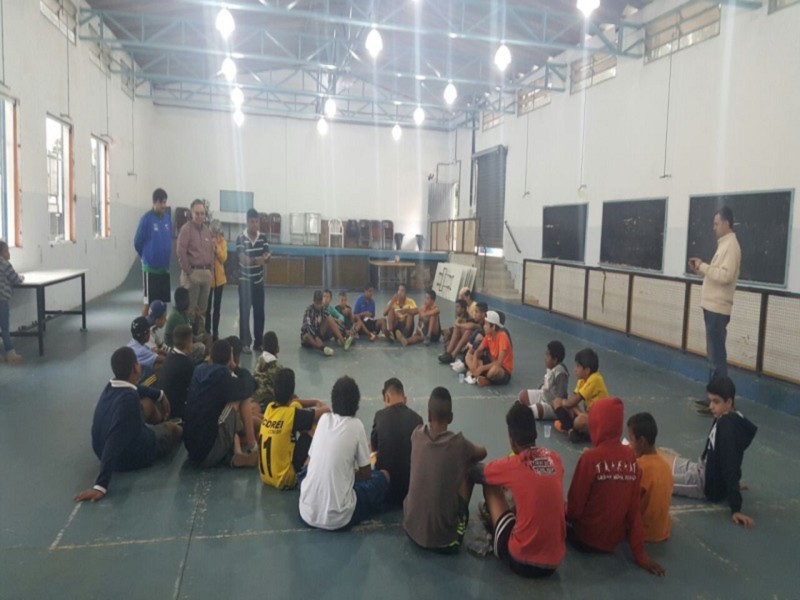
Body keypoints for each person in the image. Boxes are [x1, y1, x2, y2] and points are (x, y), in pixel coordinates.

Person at [565, 397, 665, 576]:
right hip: (612, 542)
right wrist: (641, 556)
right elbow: (633, 512)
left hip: (584, 540)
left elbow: (574, 510)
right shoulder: (631, 457)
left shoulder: (590, 459)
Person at [73, 347, 182, 502]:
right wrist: (100, 486)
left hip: (99, 449)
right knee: (172, 429)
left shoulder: (111, 385)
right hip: (129, 457)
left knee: (147, 403)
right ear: (135, 368)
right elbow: (114, 439)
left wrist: (160, 394)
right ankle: (183, 430)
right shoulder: (129, 401)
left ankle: (161, 423)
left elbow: (135, 388)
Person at [481, 402, 566, 578]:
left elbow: (480, 473)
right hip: (553, 564)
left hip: (520, 561)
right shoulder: (555, 459)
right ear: (535, 433)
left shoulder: (513, 464)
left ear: (512, 441)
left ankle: (492, 522)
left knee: (490, 483)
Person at [662, 377, 757, 529]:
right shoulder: (728, 415)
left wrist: (736, 508)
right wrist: (731, 483)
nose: (711, 406)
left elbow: (731, 463)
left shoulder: (728, 429)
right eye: (710, 401)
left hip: (705, 484)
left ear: (729, 402)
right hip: (703, 468)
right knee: (664, 460)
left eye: (716, 402)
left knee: (658, 481)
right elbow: (736, 454)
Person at [299, 376, 390, 530]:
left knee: (311, 470)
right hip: (340, 518)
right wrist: (347, 474)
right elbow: (366, 474)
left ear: (333, 401)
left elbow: (311, 459)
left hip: (307, 511)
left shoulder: (323, 420)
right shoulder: (356, 425)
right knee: (383, 476)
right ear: (357, 404)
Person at [403, 387, 487, 553]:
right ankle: (459, 525)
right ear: (451, 418)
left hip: (411, 529)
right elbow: (482, 453)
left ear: (429, 415)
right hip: (444, 541)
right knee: (472, 469)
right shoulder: (459, 443)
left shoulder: (416, 434)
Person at [688, 206, 741, 414]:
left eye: (716, 223)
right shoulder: (724, 245)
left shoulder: (732, 246)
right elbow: (717, 273)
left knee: (717, 358)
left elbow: (725, 276)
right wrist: (701, 269)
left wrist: (703, 266)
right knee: (713, 358)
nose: (714, 227)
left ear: (726, 223)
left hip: (718, 310)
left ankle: (722, 403)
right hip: (712, 308)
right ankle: (713, 398)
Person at [183, 339, 260, 468]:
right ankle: (254, 448)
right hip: (208, 451)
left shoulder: (199, 370)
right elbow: (252, 384)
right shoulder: (223, 377)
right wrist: (235, 367)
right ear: (230, 359)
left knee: (223, 406)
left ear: (211, 357)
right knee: (242, 397)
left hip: (191, 448)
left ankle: (236, 454)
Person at [259, 368, 329, 490]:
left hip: (265, 477)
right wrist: (318, 403)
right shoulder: (291, 415)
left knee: (297, 411)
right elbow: (326, 411)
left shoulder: (270, 408)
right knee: (314, 428)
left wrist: (312, 402)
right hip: (285, 479)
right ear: (292, 395)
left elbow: (295, 403)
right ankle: (316, 467)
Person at [370, 378, 423, 507]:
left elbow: (374, 448)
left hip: (386, 492)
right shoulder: (418, 419)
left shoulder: (380, 415)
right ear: (405, 399)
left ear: (387, 397)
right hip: (410, 490)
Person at [627, 412, 673, 543]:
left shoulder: (640, 467)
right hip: (662, 531)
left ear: (641, 441)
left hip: (643, 533)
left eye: (631, 439)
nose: (630, 443)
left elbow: (627, 502)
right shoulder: (665, 466)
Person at [553, 348, 608, 443]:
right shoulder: (581, 380)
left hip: (600, 423)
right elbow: (572, 402)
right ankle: (571, 431)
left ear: (587, 370)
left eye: (578, 366)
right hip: (588, 416)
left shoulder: (595, 379)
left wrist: (568, 404)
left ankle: (577, 433)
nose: (575, 369)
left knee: (579, 421)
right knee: (557, 402)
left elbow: (571, 402)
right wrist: (578, 412)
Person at [176, 199, 215, 334]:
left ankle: (200, 338)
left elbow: (212, 252)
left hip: (206, 275)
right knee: (190, 310)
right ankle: (188, 340)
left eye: (202, 213)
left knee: (202, 311)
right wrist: (189, 272)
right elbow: (180, 252)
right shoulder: (186, 230)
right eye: (197, 213)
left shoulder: (207, 231)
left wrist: (211, 272)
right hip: (192, 274)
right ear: (191, 213)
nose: (199, 216)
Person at [236, 208, 271, 354]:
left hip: (258, 281)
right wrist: (258, 260)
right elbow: (243, 260)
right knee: (244, 313)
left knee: (259, 313)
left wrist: (261, 259)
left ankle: (258, 343)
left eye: (257, 221)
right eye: (252, 222)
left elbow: (267, 257)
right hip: (245, 281)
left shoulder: (263, 238)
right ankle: (245, 343)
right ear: (247, 222)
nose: (255, 224)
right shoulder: (240, 238)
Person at [133, 188, 171, 316]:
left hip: (164, 270)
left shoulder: (167, 219)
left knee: (163, 305)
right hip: (150, 270)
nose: (163, 206)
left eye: (165, 202)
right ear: (154, 202)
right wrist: (145, 256)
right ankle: (142, 327)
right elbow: (137, 242)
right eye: (161, 202)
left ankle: (160, 328)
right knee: (148, 304)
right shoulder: (146, 219)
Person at [518, 340, 569, 420]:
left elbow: (560, 397)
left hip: (552, 405)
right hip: (544, 396)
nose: (545, 358)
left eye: (547, 356)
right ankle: (530, 409)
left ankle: (531, 410)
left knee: (536, 410)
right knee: (523, 395)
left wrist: (552, 405)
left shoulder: (560, 372)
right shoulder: (551, 367)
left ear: (555, 360)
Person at [464, 310, 513, 387]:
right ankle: (478, 376)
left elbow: (499, 362)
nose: (484, 326)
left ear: (493, 327)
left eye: (486, 324)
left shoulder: (502, 337)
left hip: (502, 368)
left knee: (494, 370)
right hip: (490, 363)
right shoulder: (488, 335)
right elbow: (477, 351)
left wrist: (481, 368)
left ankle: (487, 381)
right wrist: (474, 366)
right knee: (468, 356)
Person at [157, 325, 195, 420]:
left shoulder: (169, 356)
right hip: (177, 410)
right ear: (188, 343)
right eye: (192, 341)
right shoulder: (187, 363)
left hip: (164, 407)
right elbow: (194, 388)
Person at [164, 287, 206, 363]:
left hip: (182, 344)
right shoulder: (176, 316)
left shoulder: (183, 313)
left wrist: (197, 316)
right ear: (181, 301)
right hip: (174, 349)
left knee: (204, 338)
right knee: (201, 347)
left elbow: (194, 331)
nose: (188, 303)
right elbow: (189, 337)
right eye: (187, 300)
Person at [441, 301, 487, 368]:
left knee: (468, 331)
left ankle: (453, 355)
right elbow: (467, 324)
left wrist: (458, 324)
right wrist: (458, 324)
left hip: (474, 347)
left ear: (483, 314)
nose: (474, 314)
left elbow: (470, 326)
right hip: (467, 343)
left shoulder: (485, 325)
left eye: (477, 312)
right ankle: (448, 352)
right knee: (457, 328)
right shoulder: (475, 320)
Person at [0, 240, 24, 363]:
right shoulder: (5, 264)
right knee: (5, 327)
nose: (9, 253)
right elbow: (15, 279)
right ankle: (10, 352)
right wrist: (21, 277)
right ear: (3, 252)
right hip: (2, 300)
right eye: (7, 251)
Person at [205, 219, 227, 343]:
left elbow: (223, 258)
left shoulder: (222, 242)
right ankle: (207, 331)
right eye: (212, 231)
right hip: (208, 279)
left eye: (216, 232)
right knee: (207, 307)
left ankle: (215, 332)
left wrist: (216, 248)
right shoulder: (205, 240)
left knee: (217, 307)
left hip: (220, 280)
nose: (214, 234)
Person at [300, 290, 339, 356]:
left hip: (318, 333)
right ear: (313, 301)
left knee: (329, 319)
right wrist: (316, 337)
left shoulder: (323, 309)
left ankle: (342, 340)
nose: (318, 306)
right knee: (307, 336)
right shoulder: (308, 311)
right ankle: (322, 348)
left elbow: (331, 320)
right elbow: (308, 327)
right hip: (309, 335)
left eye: (320, 304)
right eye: (317, 303)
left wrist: (343, 329)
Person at [253, 331, 283, 407]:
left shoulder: (259, 359)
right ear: (277, 348)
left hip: (255, 397)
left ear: (262, 347)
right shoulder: (277, 366)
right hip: (268, 401)